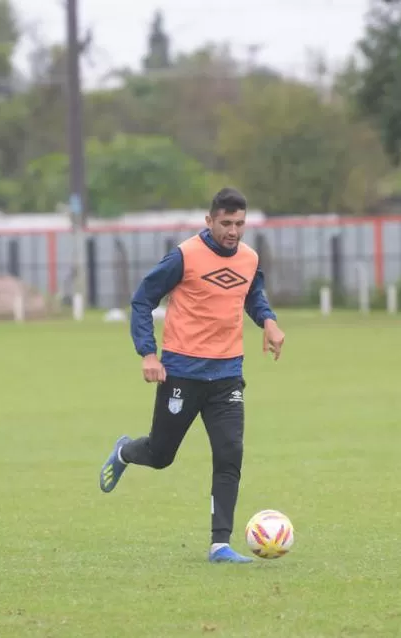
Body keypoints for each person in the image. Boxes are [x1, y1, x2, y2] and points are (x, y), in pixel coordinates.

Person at [98, 187, 286, 564]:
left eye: (240, 224)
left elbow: (252, 294)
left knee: (230, 453)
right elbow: (142, 299)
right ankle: (124, 451)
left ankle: (220, 544)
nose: (233, 231)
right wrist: (148, 353)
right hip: (182, 372)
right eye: (226, 223)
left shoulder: (248, 258)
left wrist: (268, 321)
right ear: (209, 221)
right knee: (161, 454)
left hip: (228, 373)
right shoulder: (184, 256)